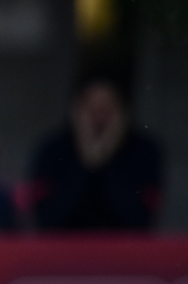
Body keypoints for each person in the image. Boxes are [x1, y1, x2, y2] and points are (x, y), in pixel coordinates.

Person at [20, 69, 162, 230]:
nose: (99, 117)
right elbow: (47, 219)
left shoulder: (145, 151)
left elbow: (139, 219)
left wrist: (107, 154)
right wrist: (86, 160)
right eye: (92, 109)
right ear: (76, 109)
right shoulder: (52, 150)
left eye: (107, 108)